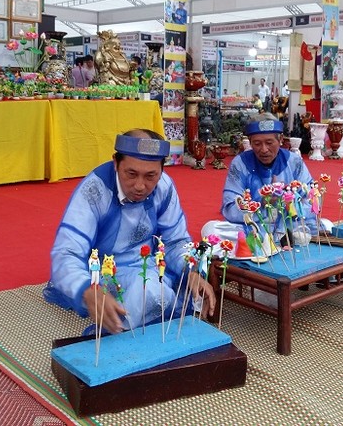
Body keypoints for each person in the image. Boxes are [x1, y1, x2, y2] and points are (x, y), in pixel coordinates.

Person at [44, 129, 216, 334]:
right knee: (152, 293)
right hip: (100, 271)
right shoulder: (95, 190)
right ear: (116, 163)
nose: (140, 186)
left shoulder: (164, 186)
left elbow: (175, 241)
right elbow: (66, 253)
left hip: (145, 264)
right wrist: (87, 290)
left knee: (172, 289)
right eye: (131, 174)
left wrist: (191, 271)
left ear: (162, 170)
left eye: (151, 176)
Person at [202, 113, 324, 243]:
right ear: (249, 142)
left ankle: (285, 238)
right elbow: (229, 208)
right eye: (257, 143)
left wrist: (289, 206)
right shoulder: (240, 164)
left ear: (281, 139)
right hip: (253, 227)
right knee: (211, 230)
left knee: (326, 225)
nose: (264, 149)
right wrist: (262, 203)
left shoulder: (294, 162)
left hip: (289, 224)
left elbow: (313, 200)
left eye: (269, 142)